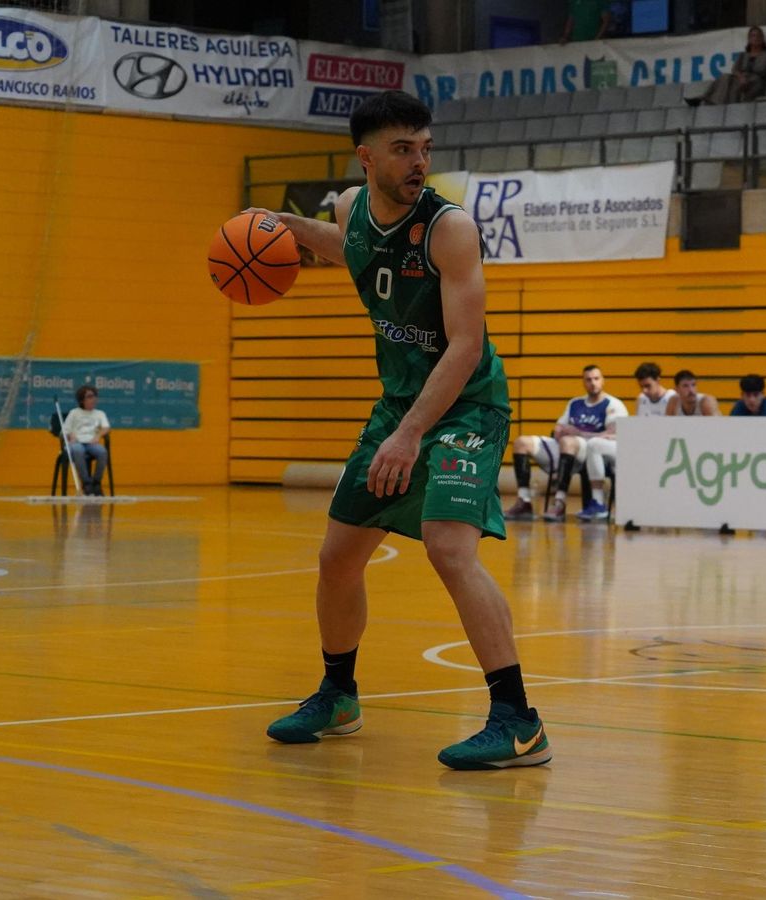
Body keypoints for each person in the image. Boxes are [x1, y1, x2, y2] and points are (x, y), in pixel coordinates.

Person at [251, 91, 551, 771]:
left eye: (425, 148)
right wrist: (286, 224)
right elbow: (349, 246)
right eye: (403, 150)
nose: (420, 161)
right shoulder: (351, 208)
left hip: (466, 405)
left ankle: (519, 720)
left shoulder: (449, 229)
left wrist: (410, 434)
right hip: (400, 406)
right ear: (366, 158)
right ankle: (339, 694)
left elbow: (466, 346)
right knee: (337, 558)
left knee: (448, 547)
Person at [506, 365, 628, 522]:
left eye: (596, 379)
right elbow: (558, 428)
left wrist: (579, 433)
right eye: (588, 379)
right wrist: (562, 431)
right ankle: (524, 501)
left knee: (568, 441)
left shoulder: (613, 404)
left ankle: (560, 502)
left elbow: (613, 435)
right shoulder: (575, 403)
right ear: (583, 382)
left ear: (603, 381)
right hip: (565, 447)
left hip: (590, 452)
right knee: (521, 442)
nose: (593, 383)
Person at [705, 26, 766, 105]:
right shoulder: (743, 55)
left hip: (756, 83)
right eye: (753, 36)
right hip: (741, 80)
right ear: (749, 39)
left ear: (762, 39)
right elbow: (735, 70)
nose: (756, 38)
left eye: (759, 36)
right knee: (725, 77)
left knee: (742, 84)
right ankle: (709, 100)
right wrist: (741, 77)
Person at [62, 384, 110, 496]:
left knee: (102, 452)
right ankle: (86, 483)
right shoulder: (74, 413)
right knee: (78, 450)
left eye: (94, 396)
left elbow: (106, 427)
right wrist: (71, 435)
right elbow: (65, 430)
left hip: (91, 442)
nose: (94, 399)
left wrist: (98, 435)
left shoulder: (100, 413)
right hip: (76, 442)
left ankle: (96, 483)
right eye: (90, 396)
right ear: (82, 400)